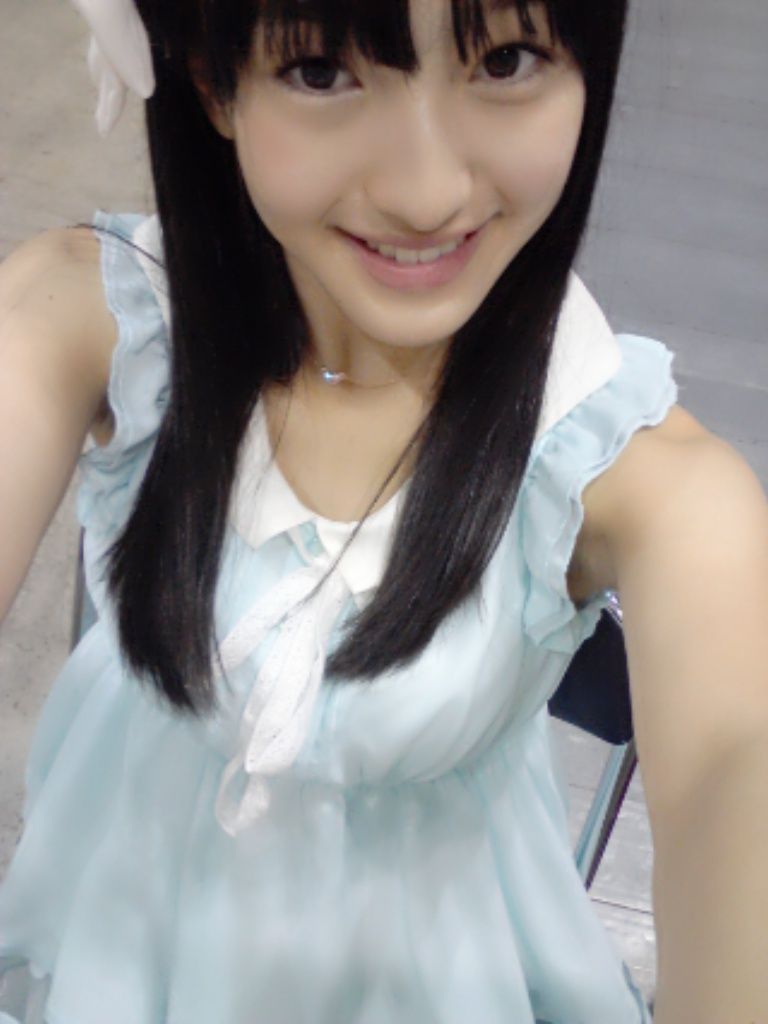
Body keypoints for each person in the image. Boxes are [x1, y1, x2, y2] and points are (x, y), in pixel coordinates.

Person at [0, 0, 766, 1021]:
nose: (425, 191)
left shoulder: (652, 491)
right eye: (322, 71)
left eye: (508, 59)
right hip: (114, 944)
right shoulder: (93, 323)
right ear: (212, 81)